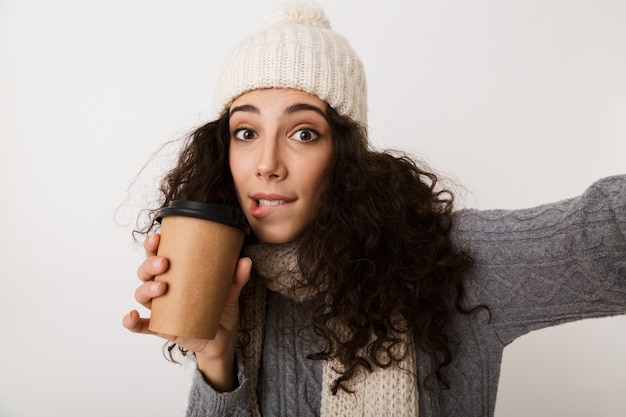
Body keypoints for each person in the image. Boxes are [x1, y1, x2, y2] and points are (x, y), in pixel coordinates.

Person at [123, 2, 626, 416]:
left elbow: (606, 230)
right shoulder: (234, 278)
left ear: (344, 153)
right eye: (246, 132)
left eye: (303, 133)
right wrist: (216, 359)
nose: (267, 164)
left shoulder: (453, 262)